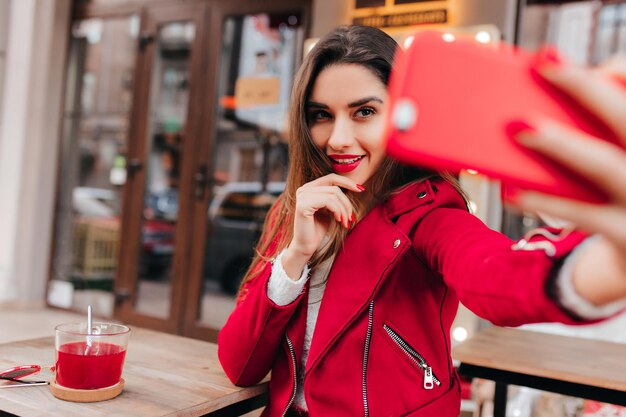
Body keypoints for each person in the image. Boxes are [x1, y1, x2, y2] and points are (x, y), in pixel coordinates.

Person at [218, 25, 626, 417]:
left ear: (397, 114)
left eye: (364, 111)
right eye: (321, 115)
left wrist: (607, 267)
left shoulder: (428, 216)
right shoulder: (294, 212)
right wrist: (296, 256)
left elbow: (495, 273)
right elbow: (241, 365)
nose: (338, 138)